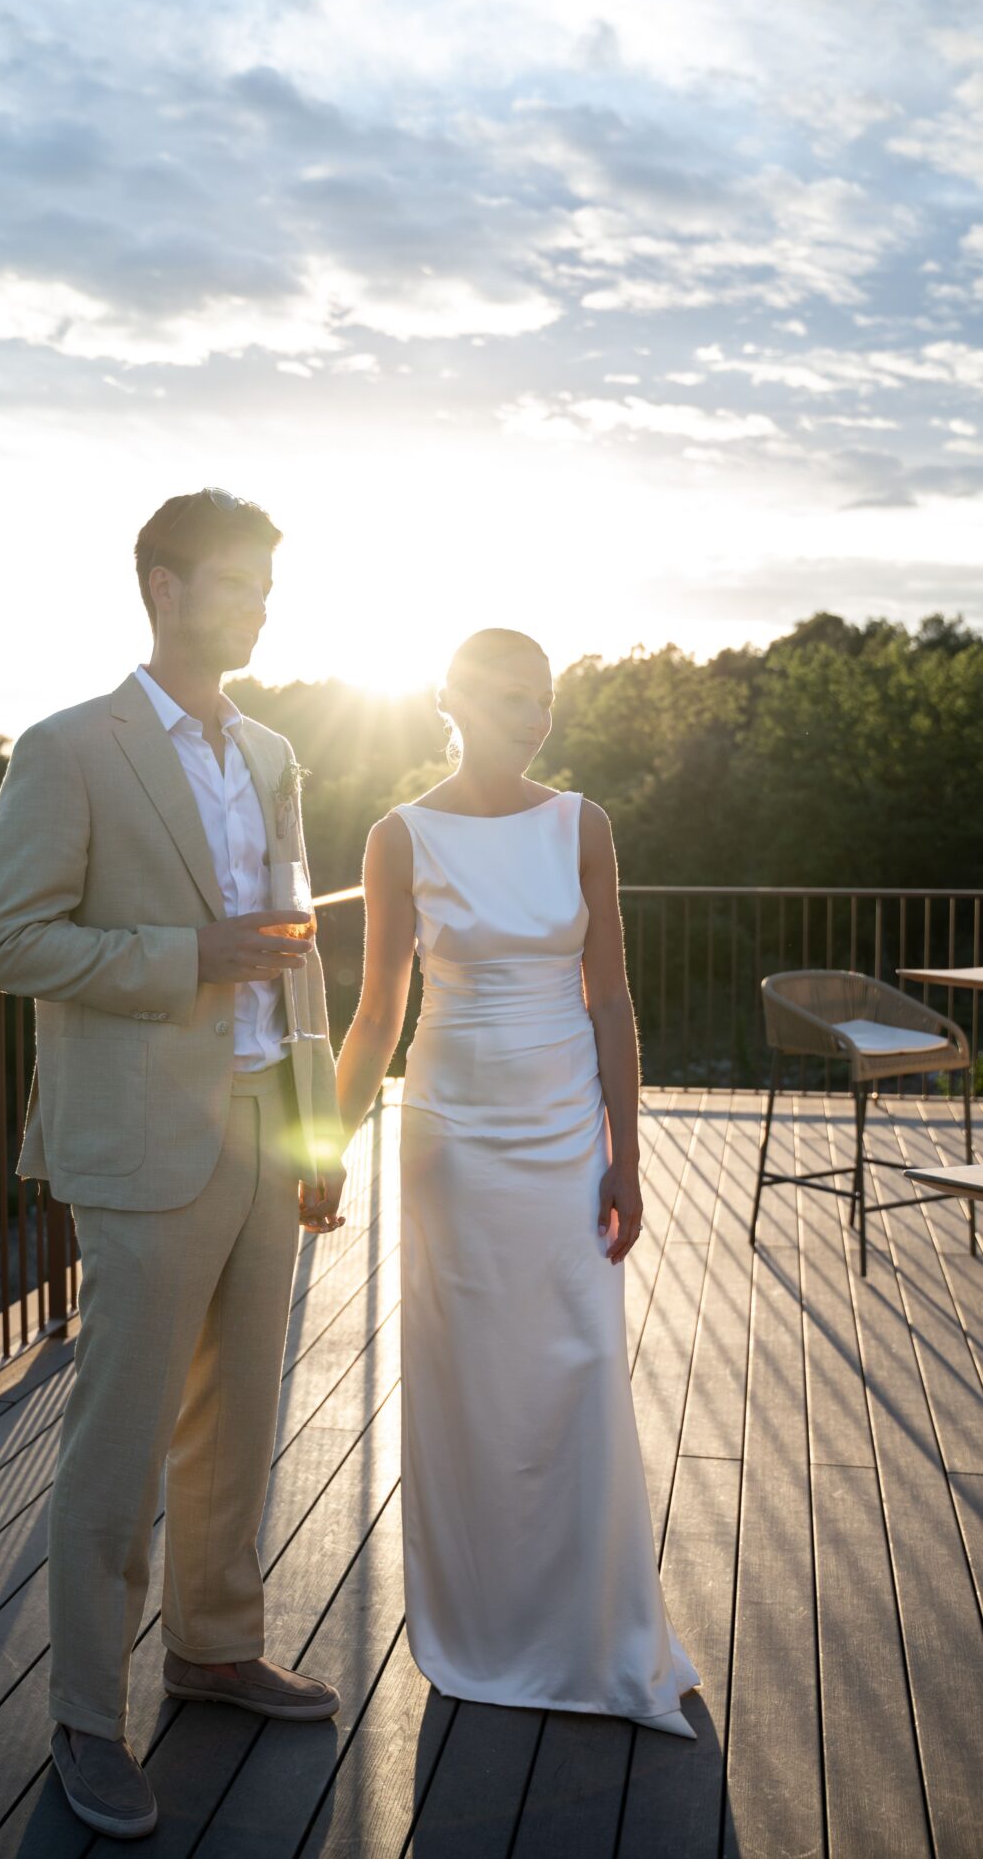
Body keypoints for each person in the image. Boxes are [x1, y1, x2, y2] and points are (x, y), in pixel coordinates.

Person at [0, 487, 347, 1840]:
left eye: (266, 586)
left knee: (239, 1417)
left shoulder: (272, 755)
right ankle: (87, 1718)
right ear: (163, 587)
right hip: (139, 1142)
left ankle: (213, 1644)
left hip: (263, 1126)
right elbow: (10, 943)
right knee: (117, 1448)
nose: (258, 608)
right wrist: (188, 958)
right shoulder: (67, 749)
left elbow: (296, 948)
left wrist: (316, 1132)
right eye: (239, 585)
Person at [333, 627, 701, 1738]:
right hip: (449, 1133)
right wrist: (322, 1145)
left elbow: (612, 1000)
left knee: (577, 1363)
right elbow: (376, 1014)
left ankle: (586, 1629)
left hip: (559, 1134)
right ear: (451, 698)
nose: (532, 716)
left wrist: (623, 1152)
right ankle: (480, 1621)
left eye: (543, 698)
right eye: (508, 697)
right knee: (463, 1381)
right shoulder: (397, 836)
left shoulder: (580, 822)